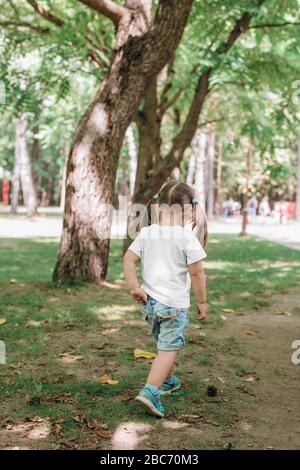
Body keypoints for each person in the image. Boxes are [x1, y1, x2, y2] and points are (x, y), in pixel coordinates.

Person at [123, 181, 208, 418]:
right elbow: (197, 273)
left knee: (163, 344)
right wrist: (202, 301)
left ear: (159, 206)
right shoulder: (186, 237)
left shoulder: (147, 232)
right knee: (169, 349)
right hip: (174, 305)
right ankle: (151, 391)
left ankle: (168, 380)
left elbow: (128, 261)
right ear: (189, 210)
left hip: (149, 303)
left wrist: (134, 287)